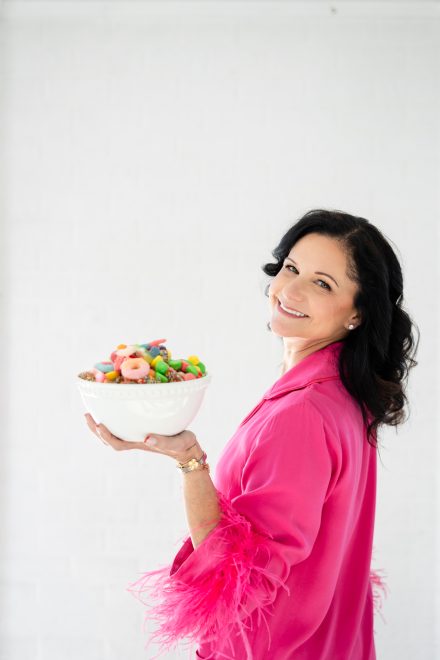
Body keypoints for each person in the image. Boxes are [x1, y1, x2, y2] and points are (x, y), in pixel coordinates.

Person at [85, 208, 419, 659]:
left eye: (323, 283)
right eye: (291, 268)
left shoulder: (303, 413)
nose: (291, 290)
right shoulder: (344, 395)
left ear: (357, 313)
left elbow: (242, 573)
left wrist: (190, 460)